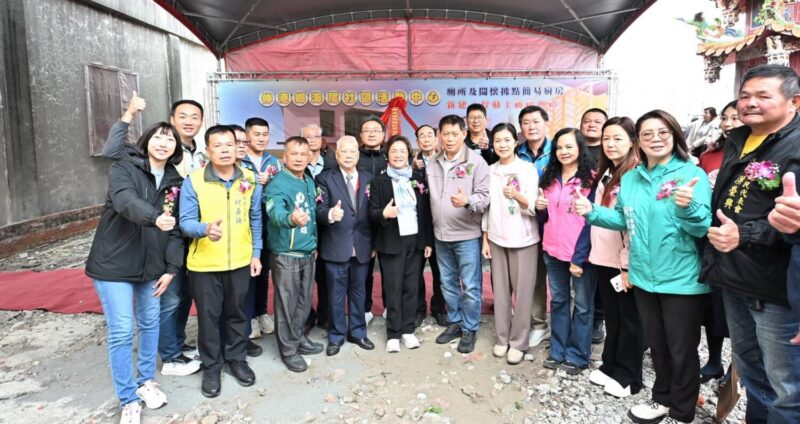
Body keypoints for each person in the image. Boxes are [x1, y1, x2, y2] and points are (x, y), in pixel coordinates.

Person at [575, 109, 712, 424]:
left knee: (681, 348)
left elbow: (703, 226)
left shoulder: (691, 174)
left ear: (675, 136)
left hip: (681, 278)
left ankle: (682, 411)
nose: (655, 139)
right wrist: (591, 211)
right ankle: (661, 399)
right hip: (643, 276)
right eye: (648, 134)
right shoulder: (632, 178)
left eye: (663, 132)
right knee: (659, 344)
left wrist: (688, 206)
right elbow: (623, 219)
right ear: (639, 141)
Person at [701, 64, 800, 424]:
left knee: (788, 389)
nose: (750, 103)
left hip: (777, 289)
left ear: (794, 101)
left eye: (763, 96)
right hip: (734, 276)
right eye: (745, 96)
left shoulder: (795, 145)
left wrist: (746, 234)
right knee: (752, 372)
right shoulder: (739, 139)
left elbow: (792, 220)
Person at [86, 122, 184, 423]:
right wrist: (154, 217)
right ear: (146, 141)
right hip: (113, 264)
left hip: (151, 265)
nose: (163, 144)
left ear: (176, 148)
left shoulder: (175, 182)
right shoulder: (124, 168)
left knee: (150, 321)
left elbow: (175, 231)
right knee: (122, 329)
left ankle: (145, 381)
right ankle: (128, 398)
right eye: (158, 137)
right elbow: (125, 201)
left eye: (170, 140)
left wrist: (171, 269)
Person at [101, 95, 201, 376]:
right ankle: (169, 355)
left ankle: (176, 344)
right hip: (143, 239)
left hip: (181, 234)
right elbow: (113, 156)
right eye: (183, 116)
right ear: (172, 120)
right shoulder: (131, 164)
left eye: (195, 117)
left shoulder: (196, 157)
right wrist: (130, 112)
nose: (189, 121)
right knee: (167, 299)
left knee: (183, 295)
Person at [179, 125, 262, 398]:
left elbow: (255, 218)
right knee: (209, 318)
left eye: (230, 145)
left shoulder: (249, 178)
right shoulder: (194, 181)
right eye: (218, 145)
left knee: (237, 314)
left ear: (237, 148)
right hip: (205, 265)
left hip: (240, 260)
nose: (225, 150)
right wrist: (204, 229)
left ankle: (236, 359)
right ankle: (212, 366)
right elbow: (185, 222)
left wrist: (256, 253)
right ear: (208, 150)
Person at [585, 117, 643, 398]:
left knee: (630, 319)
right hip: (603, 257)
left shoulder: (635, 174)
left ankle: (630, 376)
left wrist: (627, 264)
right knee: (613, 316)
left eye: (617, 138)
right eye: (606, 138)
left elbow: (632, 225)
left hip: (623, 261)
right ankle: (610, 364)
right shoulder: (607, 172)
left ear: (632, 141)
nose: (610, 144)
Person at [535, 128, 596, 375]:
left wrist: (579, 257)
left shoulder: (591, 179)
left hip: (581, 254)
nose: (563, 151)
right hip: (552, 250)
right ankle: (557, 350)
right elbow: (545, 218)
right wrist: (540, 208)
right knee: (559, 301)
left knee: (582, 305)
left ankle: (578, 355)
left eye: (569, 146)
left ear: (580, 148)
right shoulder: (549, 177)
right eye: (559, 147)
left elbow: (593, 221)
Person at [428, 114, 490, 354]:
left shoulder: (476, 162)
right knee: (447, 283)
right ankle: (455, 322)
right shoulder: (433, 162)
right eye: (445, 134)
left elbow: (485, 197)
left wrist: (468, 201)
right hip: (440, 235)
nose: (450, 138)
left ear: (464, 134)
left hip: (466, 236)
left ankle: (470, 328)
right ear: (439, 136)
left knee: (471, 286)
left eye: (455, 134)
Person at [480, 123, 539, 365]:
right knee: (501, 292)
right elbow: (487, 207)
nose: (502, 145)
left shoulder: (527, 169)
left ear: (515, 142)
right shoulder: (490, 170)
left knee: (523, 293)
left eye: (507, 140)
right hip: (496, 238)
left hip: (523, 238)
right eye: (497, 141)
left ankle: (518, 342)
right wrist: (485, 237)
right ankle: (502, 337)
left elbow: (533, 207)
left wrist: (517, 196)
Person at [369, 135, 433, 352]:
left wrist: (427, 241)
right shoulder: (379, 181)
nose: (398, 155)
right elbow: (371, 212)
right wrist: (383, 214)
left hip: (415, 240)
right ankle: (393, 333)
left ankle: (407, 330)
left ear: (409, 155)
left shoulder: (417, 178)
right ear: (387, 155)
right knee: (393, 287)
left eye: (402, 151)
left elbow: (425, 212)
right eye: (394, 151)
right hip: (391, 241)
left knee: (411, 287)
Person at [264, 136, 323, 372]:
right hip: (286, 254)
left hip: (307, 251)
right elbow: (275, 212)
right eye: (294, 154)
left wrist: (314, 243)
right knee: (287, 304)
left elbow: (313, 214)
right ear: (284, 157)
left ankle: (298, 338)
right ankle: (288, 350)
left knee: (304, 302)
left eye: (303, 154)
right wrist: (290, 219)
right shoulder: (277, 183)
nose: (299, 159)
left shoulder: (308, 180)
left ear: (309, 156)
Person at [316, 136, 375, 357]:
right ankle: (336, 335)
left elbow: (373, 213)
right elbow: (318, 210)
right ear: (337, 154)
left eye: (352, 151)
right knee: (336, 295)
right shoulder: (324, 178)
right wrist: (330, 214)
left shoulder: (368, 178)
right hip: (335, 246)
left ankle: (358, 332)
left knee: (359, 293)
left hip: (362, 246)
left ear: (358, 155)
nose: (348, 155)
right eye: (344, 151)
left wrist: (374, 243)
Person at [696, 101, 741, 383]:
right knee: (714, 304)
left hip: (745, 243)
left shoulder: (762, 156)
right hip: (710, 237)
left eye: (736, 118)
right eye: (725, 118)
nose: (729, 123)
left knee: (742, 309)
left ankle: (740, 369)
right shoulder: (709, 156)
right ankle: (714, 361)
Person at [515, 105, 553, 349]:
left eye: (536, 121)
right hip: (525, 223)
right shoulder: (515, 152)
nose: (531, 126)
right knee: (534, 277)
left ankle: (564, 327)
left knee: (565, 280)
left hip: (557, 224)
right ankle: (537, 324)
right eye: (526, 122)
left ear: (546, 124)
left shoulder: (559, 150)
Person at [242, 117, 280, 340]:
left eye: (265, 134)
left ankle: (262, 311)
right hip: (245, 222)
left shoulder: (273, 161)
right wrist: (255, 182)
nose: (261, 138)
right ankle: (249, 317)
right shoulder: (240, 159)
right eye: (256, 134)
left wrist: (270, 181)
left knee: (264, 270)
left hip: (268, 222)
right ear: (247, 135)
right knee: (249, 271)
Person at [302, 123, 336, 332]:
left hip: (327, 226)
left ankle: (325, 315)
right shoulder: (296, 162)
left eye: (316, 136)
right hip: (302, 226)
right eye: (308, 137)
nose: (312, 140)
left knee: (325, 276)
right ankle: (306, 316)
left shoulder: (332, 162)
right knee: (304, 278)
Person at [413, 125, 447, 327]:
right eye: (421, 136)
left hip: (439, 224)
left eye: (429, 135)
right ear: (417, 141)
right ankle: (418, 309)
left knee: (440, 272)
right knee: (416, 271)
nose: (426, 139)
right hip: (417, 226)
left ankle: (439, 308)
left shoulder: (446, 161)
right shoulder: (411, 165)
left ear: (437, 139)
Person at [580, 107, 609, 345]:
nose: (591, 124)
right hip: (573, 218)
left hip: (603, 218)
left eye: (597, 121)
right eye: (587, 121)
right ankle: (580, 317)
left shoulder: (608, 151)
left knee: (599, 271)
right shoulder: (574, 147)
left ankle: (598, 318)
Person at [357, 116, 388, 324]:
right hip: (363, 223)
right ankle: (365, 308)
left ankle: (389, 305)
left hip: (387, 222)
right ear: (361, 135)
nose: (371, 134)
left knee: (388, 268)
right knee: (364, 269)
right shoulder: (355, 156)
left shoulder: (389, 156)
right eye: (367, 130)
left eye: (376, 130)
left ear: (383, 135)